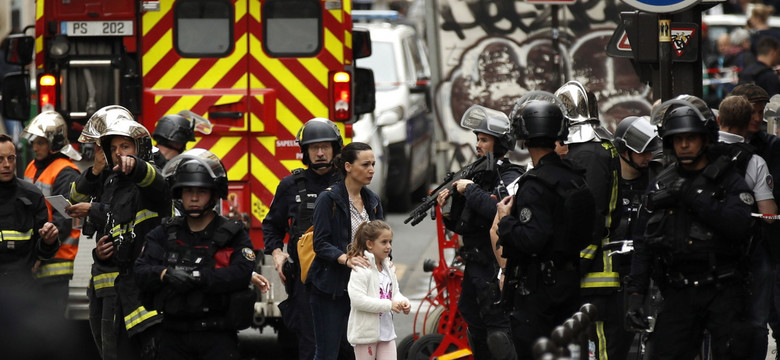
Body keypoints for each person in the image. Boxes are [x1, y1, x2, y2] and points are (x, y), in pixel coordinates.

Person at [625, 97, 755, 359]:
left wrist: (694, 197)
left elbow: (741, 225)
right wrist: (636, 294)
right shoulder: (662, 185)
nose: (684, 144)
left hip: (723, 289)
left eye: (691, 138)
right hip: (678, 291)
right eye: (677, 138)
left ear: (706, 139)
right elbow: (644, 243)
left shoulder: (727, 179)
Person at [495, 92, 596, 359]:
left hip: (539, 293)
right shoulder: (573, 177)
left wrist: (506, 220)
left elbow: (532, 239)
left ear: (525, 138)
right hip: (569, 285)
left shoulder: (535, 185)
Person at [135, 149, 259, 359]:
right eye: (187, 190)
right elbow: (140, 270)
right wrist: (165, 274)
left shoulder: (233, 234)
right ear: (179, 193)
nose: (193, 197)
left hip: (217, 336)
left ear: (213, 194)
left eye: (201, 191)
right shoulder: (164, 233)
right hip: (172, 336)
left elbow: (241, 273)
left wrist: (198, 278)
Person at [70, 116, 171, 360]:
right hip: (110, 283)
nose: (118, 154)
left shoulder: (148, 181)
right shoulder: (111, 181)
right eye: (113, 148)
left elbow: (158, 184)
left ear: (140, 148)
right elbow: (113, 225)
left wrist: (135, 166)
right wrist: (99, 251)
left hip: (140, 289)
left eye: (124, 147)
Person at [436, 105, 524, 360]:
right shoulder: (478, 176)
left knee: (499, 331)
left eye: (484, 139)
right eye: (477, 139)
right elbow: (467, 226)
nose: (478, 145)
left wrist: (470, 191)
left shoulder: (511, 175)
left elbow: (498, 210)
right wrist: (448, 212)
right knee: (474, 325)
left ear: (500, 143)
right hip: (474, 264)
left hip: (495, 265)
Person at [262, 118, 342, 360]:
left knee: (347, 345)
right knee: (311, 345)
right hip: (305, 282)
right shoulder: (290, 185)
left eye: (325, 147)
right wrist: (277, 254)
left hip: (345, 279)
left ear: (334, 148)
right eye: (314, 148)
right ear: (305, 151)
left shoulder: (350, 184)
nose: (319, 153)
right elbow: (271, 226)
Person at [554, 80, 623, 360]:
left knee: (598, 347)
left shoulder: (590, 153)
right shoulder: (598, 147)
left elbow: (591, 214)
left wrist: (576, 263)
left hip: (594, 272)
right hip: (592, 267)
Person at [307, 141, 383, 360]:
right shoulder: (328, 198)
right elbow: (320, 243)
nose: (371, 170)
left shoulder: (373, 200)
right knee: (327, 353)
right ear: (348, 166)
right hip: (330, 289)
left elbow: (382, 240)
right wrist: (345, 259)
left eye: (373, 164)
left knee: (358, 352)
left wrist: (386, 263)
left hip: (362, 289)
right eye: (365, 164)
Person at [716, 95, 777, 359]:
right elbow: (768, 214)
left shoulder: (700, 152)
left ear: (719, 120)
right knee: (756, 320)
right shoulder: (754, 162)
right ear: (748, 123)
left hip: (706, 251)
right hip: (747, 253)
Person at [0, 133, 62, 357]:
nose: (6, 165)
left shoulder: (31, 195)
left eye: (11, 158)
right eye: (0, 159)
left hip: (22, 292)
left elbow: (43, 252)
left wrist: (49, 241)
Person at [608, 115, 662, 359]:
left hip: (646, 277)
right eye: (642, 152)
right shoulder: (606, 183)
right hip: (612, 278)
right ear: (623, 150)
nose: (648, 157)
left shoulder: (655, 182)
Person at [20, 110, 82, 319]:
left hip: (55, 265)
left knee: (50, 329)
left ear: (54, 143)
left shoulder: (66, 172)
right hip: (32, 263)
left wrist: (40, 254)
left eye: (41, 142)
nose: (35, 147)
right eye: (34, 142)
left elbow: (62, 220)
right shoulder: (32, 167)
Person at [346, 220, 411, 360]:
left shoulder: (388, 267)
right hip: (366, 335)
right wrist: (389, 305)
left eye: (390, 242)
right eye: (384, 242)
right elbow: (358, 300)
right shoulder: (361, 269)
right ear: (370, 244)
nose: (388, 247)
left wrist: (403, 302)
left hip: (387, 334)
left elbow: (395, 293)